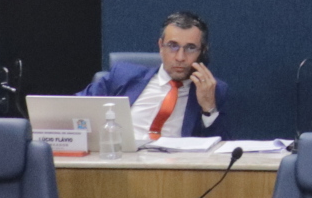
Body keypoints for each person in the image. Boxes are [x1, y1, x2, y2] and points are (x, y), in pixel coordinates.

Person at [78, 11, 227, 142]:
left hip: (173, 163)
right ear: (161, 46)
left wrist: (209, 108)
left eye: (190, 48)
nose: (180, 57)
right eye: (173, 46)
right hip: (121, 158)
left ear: (202, 51)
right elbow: (75, 108)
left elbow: (220, 150)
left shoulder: (213, 90)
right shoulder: (123, 76)